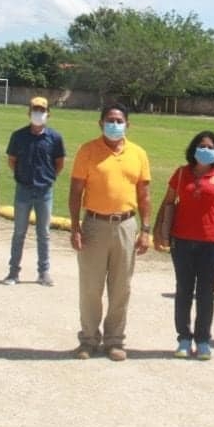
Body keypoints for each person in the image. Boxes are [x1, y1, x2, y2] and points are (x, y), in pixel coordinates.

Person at [68, 103, 152, 361]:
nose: (114, 124)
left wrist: (146, 228)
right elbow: (75, 191)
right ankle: (89, 340)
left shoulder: (138, 153)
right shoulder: (88, 151)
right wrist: (74, 226)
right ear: (100, 123)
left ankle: (114, 340)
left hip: (126, 225)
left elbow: (144, 194)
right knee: (91, 287)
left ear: (128, 124)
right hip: (94, 223)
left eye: (119, 120)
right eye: (109, 120)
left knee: (120, 287)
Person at [155, 131, 214, 360]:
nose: (205, 150)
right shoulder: (181, 173)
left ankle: (203, 339)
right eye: (201, 146)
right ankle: (183, 338)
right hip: (181, 240)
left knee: (205, 293)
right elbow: (168, 201)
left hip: (211, 242)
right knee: (183, 290)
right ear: (193, 149)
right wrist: (157, 229)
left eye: (210, 146)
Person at [3, 96, 66, 286]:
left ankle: (43, 272)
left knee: (43, 233)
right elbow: (12, 160)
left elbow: (59, 163)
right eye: (35, 110)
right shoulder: (18, 136)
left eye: (42, 110)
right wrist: (24, 177)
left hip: (45, 191)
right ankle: (13, 272)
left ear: (48, 113)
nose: (38, 113)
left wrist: (48, 178)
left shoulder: (54, 138)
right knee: (19, 232)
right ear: (29, 112)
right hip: (23, 189)